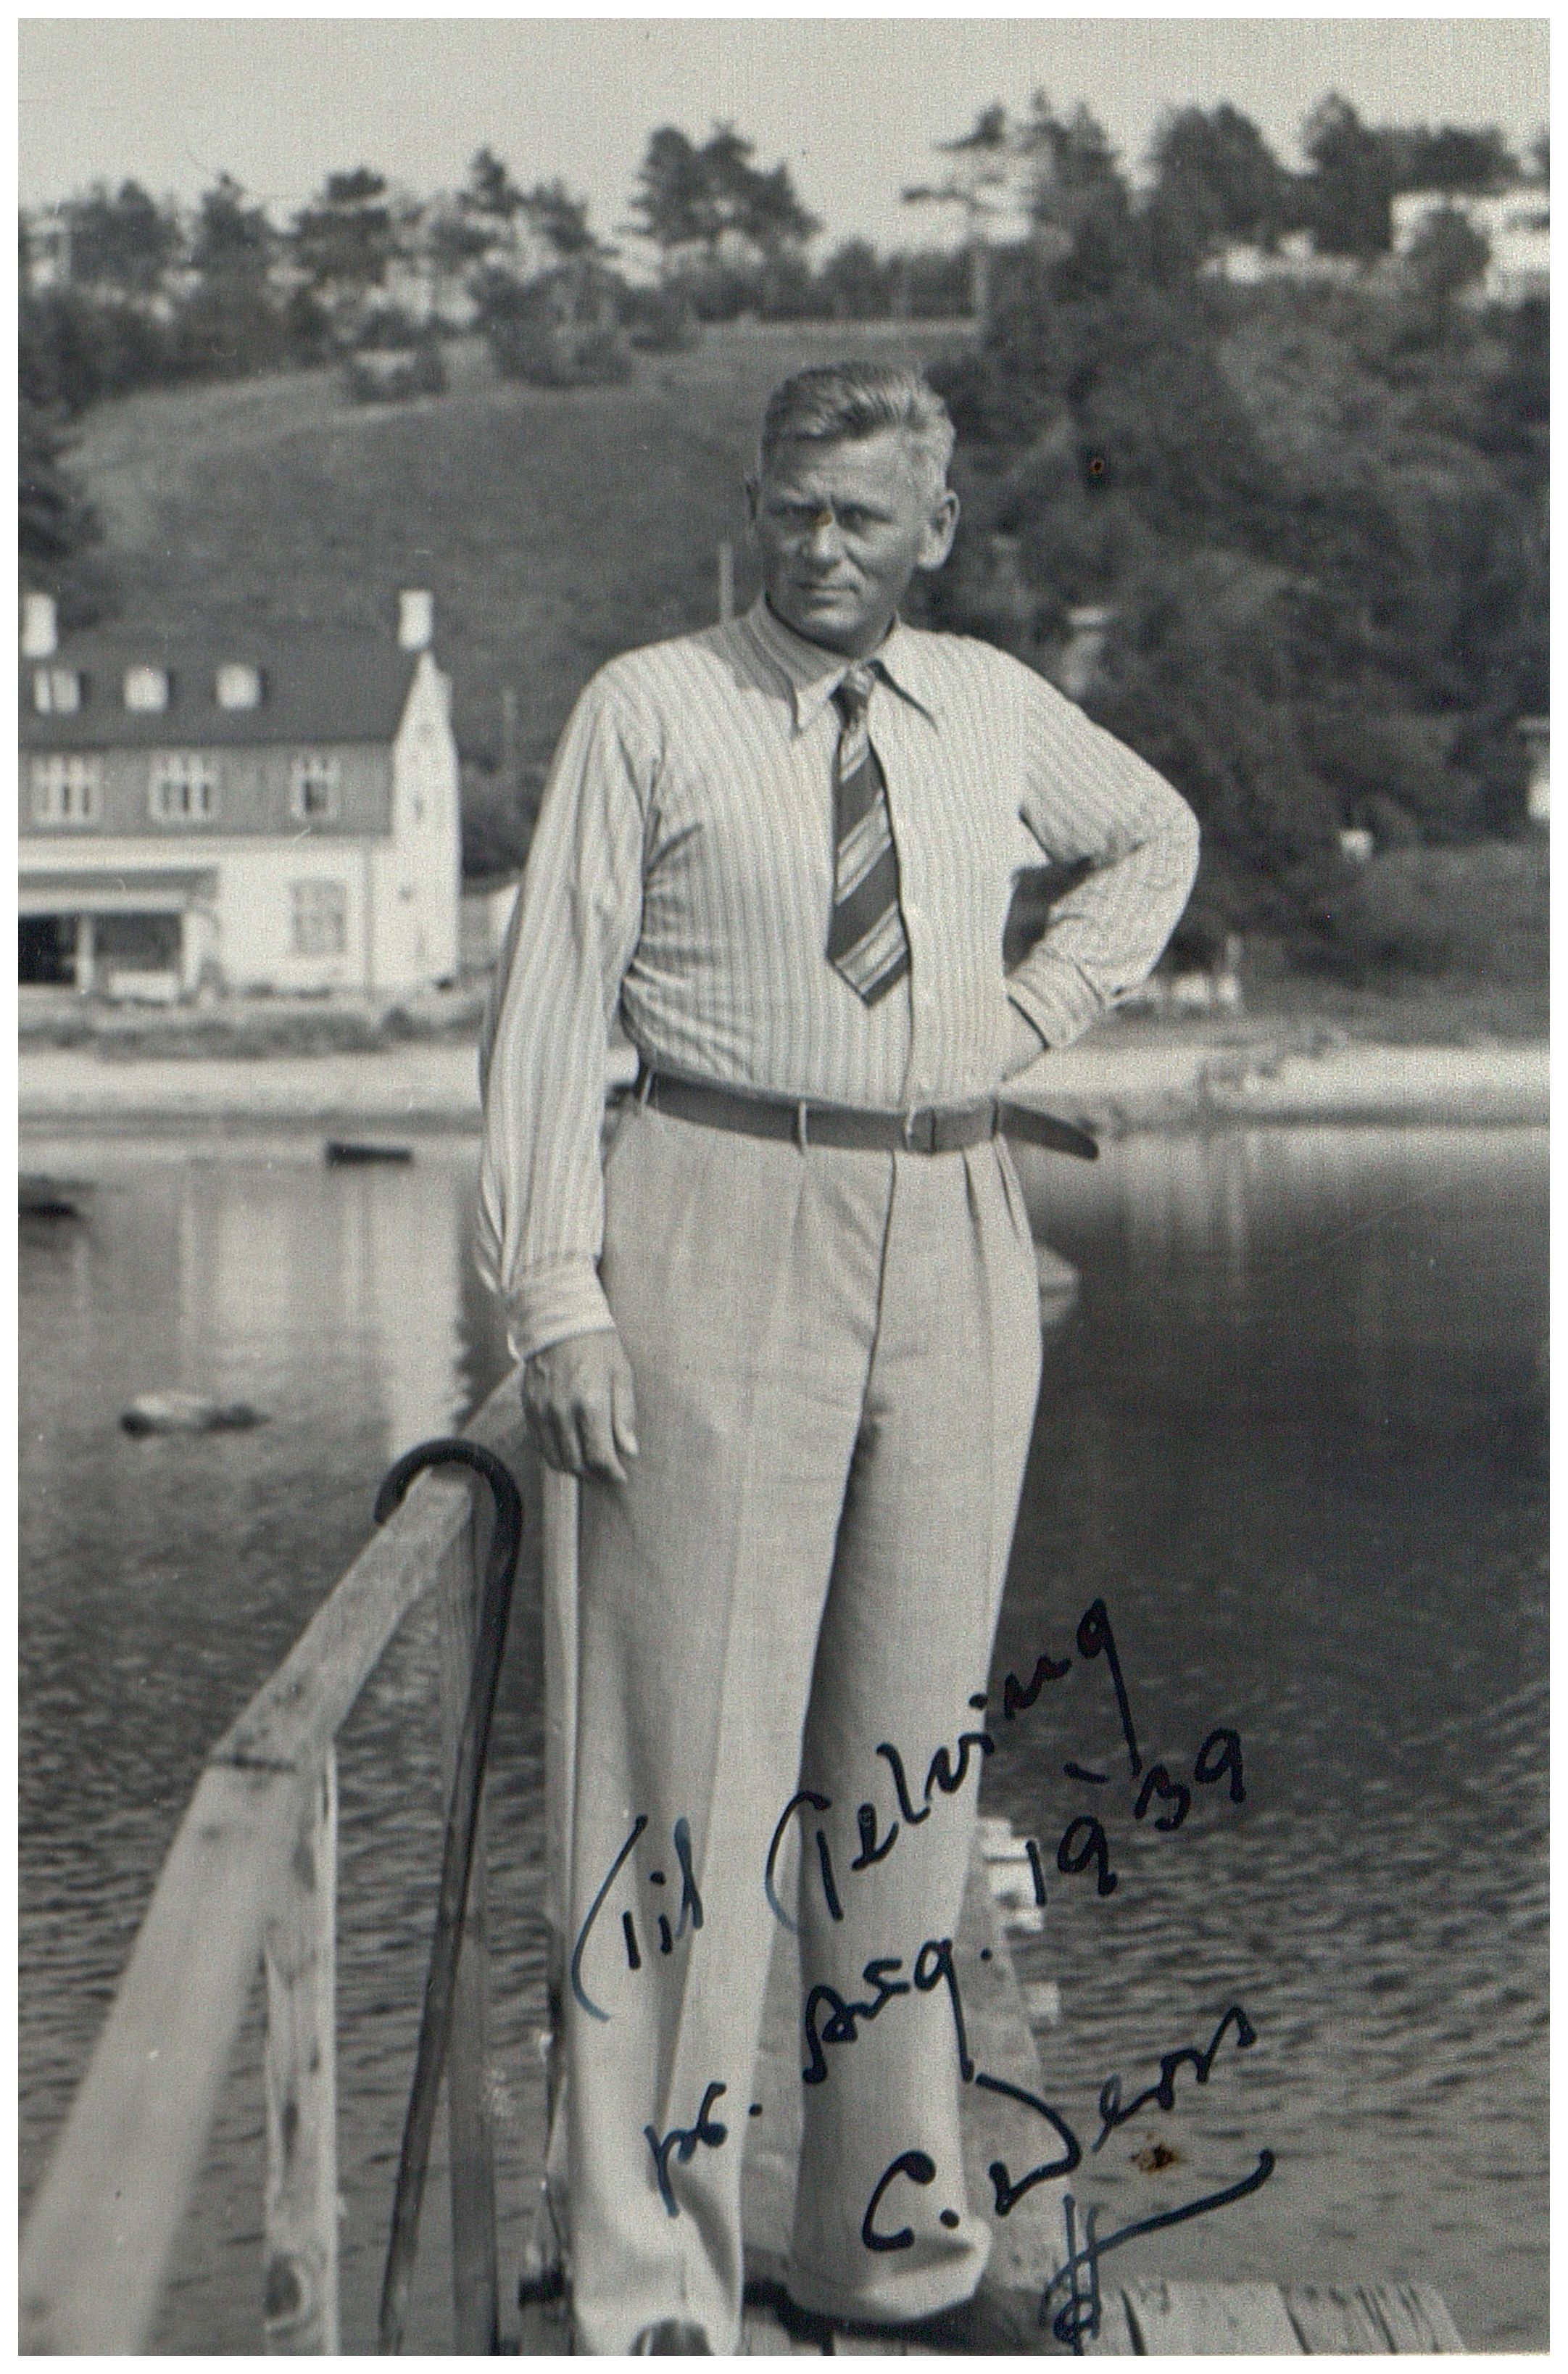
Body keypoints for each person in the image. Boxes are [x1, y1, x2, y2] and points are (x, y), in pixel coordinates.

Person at [477, 360, 1199, 2354]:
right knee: (681, 1780)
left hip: (952, 1227)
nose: (819, 547)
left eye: (861, 517)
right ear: (755, 508)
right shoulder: (650, 708)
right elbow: (548, 1016)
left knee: (904, 1768)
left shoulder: (989, 707)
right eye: (792, 509)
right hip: (714, 1210)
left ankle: (888, 2253)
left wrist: (1019, 1020)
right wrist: (557, 1298)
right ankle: (653, 2286)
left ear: (932, 532)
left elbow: (1155, 839)